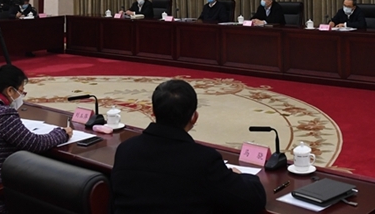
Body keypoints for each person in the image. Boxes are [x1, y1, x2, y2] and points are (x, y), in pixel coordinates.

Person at [111, 79, 266, 214]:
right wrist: (242, 177)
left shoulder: (125, 149)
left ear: (153, 112)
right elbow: (253, 200)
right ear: (194, 117)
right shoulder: (204, 160)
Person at [0, 63, 70, 214]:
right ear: (10, 90)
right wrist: (62, 133)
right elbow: (36, 143)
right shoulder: (4, 115)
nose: (22, 96)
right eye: (21, 91)